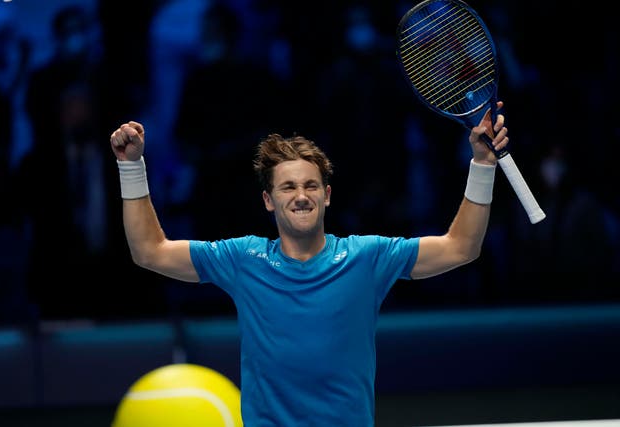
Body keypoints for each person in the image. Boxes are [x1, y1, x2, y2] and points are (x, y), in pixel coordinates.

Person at [109, 100, 509, 426]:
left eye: (310, 185)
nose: (301, 195)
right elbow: (150, 251)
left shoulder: (367, 257)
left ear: (327, 195)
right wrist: (131, 167)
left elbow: (461, 247)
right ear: (269, 200)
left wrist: (482, 164)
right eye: (288, 186)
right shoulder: (241, 258)